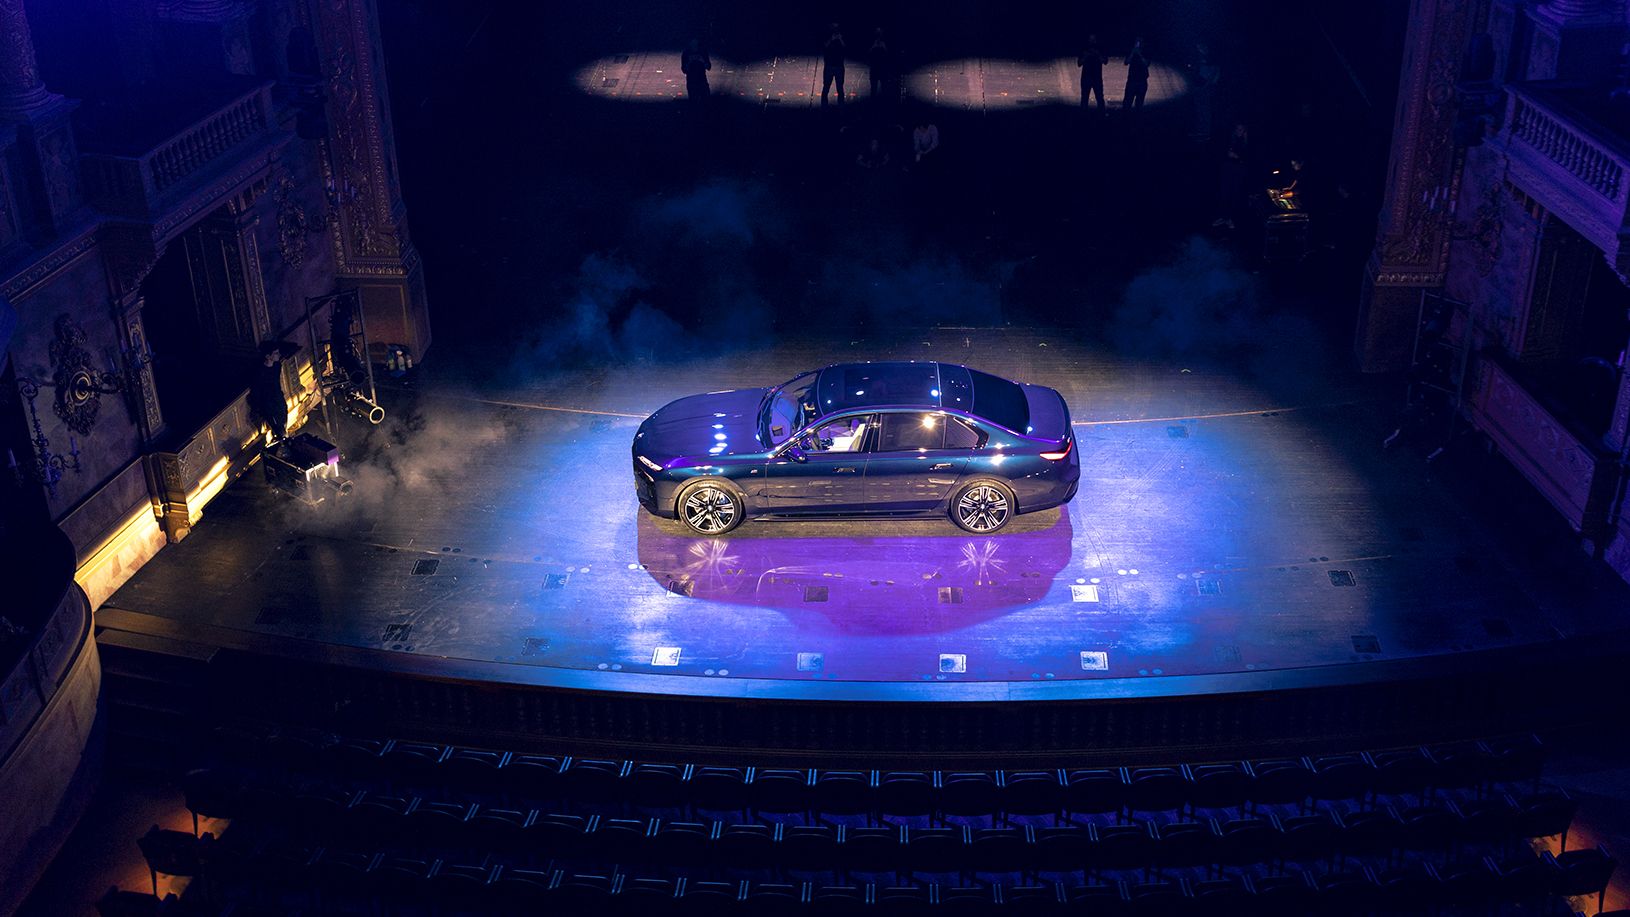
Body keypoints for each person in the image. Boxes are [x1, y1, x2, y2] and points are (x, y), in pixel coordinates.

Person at [250, 342, 289, 441]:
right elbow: (258, 389)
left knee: (283, 418)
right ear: (268, 356)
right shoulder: (260, 372)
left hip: (278, 397)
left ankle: (283, 435)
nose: (278, 355)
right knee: (277, 426)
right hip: (269, 402)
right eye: (275, 353)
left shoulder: (277, 366)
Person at [1077, 35, 1107, 114]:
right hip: (1086, 78)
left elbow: (1105, 61)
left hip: (1097, 78)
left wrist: (1097, 54)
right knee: (1084, 99)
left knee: (1100, 98)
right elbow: (1079, 63)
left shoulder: (1100, 49)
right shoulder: (1085, 49)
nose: (1092, 41)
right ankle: (1083, 116)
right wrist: (1086, 55)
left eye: (1093, 39)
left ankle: (1102, 116)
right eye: (1090, 39)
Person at [680, 39, 711, 106]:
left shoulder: (703, 52)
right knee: (693, 101)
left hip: (702, 80)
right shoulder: (686, 53)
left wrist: (702, 61)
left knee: (706, 101)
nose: (694, 44)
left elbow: (708, 67)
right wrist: (689, 63)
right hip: (692, 81)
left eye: (695, 42)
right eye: (692, 42)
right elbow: (684, 70)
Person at [822, 24, 846, 107]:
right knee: (826, 88)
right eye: (833, 27)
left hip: (839, 66)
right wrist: (831, 39)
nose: (835, 29)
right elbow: (824, 46)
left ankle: (841, 108)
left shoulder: (841, 36)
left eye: (836, 27)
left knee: (840, 89)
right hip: (829, 66)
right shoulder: (827, 36)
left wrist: (840, 39)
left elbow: (845, 48)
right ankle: (824, 108)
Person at [1123, 38, 1149, 112]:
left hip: (1142, 81)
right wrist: (1133, 52)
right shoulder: (1132, 51)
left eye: (1139, 42)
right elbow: (1126, 62)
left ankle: (1137, 118)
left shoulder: (1146, 52)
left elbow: (1147, 63)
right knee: (1127, 103)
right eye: (1136, 42)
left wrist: (1139, 54)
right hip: (1132, 80)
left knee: (1139, 104)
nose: (1138, 44)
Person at [868, 28, 891, 102]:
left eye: (880, 32)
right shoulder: (872, 42)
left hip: (883, 68)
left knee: (884, 88)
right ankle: (873, 104)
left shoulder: (885, 42)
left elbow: (889, 55)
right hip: (874, 68)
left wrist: (884, 47)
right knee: (873, 88)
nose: (879, 34)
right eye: (877, 32)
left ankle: (883, 104)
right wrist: (874, 46)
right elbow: (867, 54)